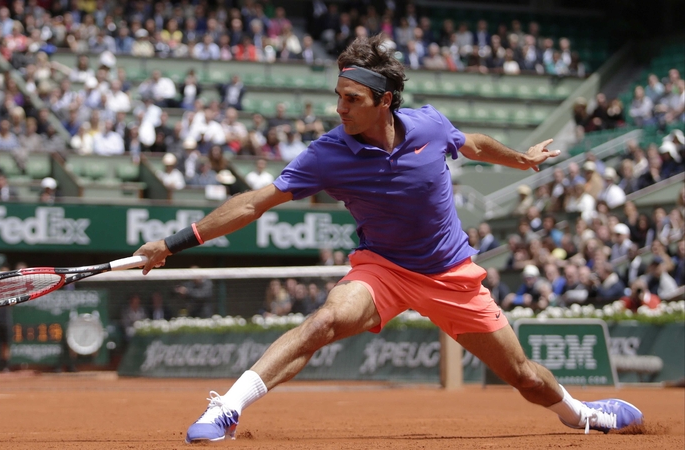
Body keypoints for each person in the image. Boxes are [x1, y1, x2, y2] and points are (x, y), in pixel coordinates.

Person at [133, 34, 643, 443]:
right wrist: (172, 243)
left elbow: (473, 144)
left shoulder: (430, 126)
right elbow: (252, 203)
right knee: (325, 320)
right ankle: (228, 409)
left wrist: (522, 159)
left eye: (351, 99)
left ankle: (581, 415)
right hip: (384, 270)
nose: (340, 108)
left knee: (525, 378)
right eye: (338, 96)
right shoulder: (326, 153)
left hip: (450, 275)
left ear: (385, 101)